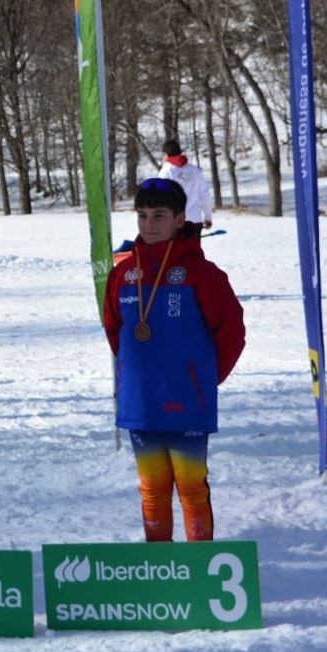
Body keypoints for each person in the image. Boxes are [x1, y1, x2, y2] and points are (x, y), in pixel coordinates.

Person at [103, 178, 245, 542]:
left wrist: (203, 378)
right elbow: (115, 330)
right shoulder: (122, 274)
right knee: (151, 489)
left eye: (159, 216)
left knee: (191, 487)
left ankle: (198, 569)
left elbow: (231, 334)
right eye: (142, 215)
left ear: (180, 218)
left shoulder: (203, 275)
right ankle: (159, 567)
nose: (149, 225)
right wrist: (131, 375)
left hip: (188, 401)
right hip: (141, 403)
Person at [157, 139, 213, 237]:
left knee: (175, 252)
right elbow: (204, 195)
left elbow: (162, 199)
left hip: (175, 223)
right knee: (193, 252)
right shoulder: (194, 170)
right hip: (195, 221)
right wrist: (208, 216)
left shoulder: (166, 172)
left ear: (166, 155)